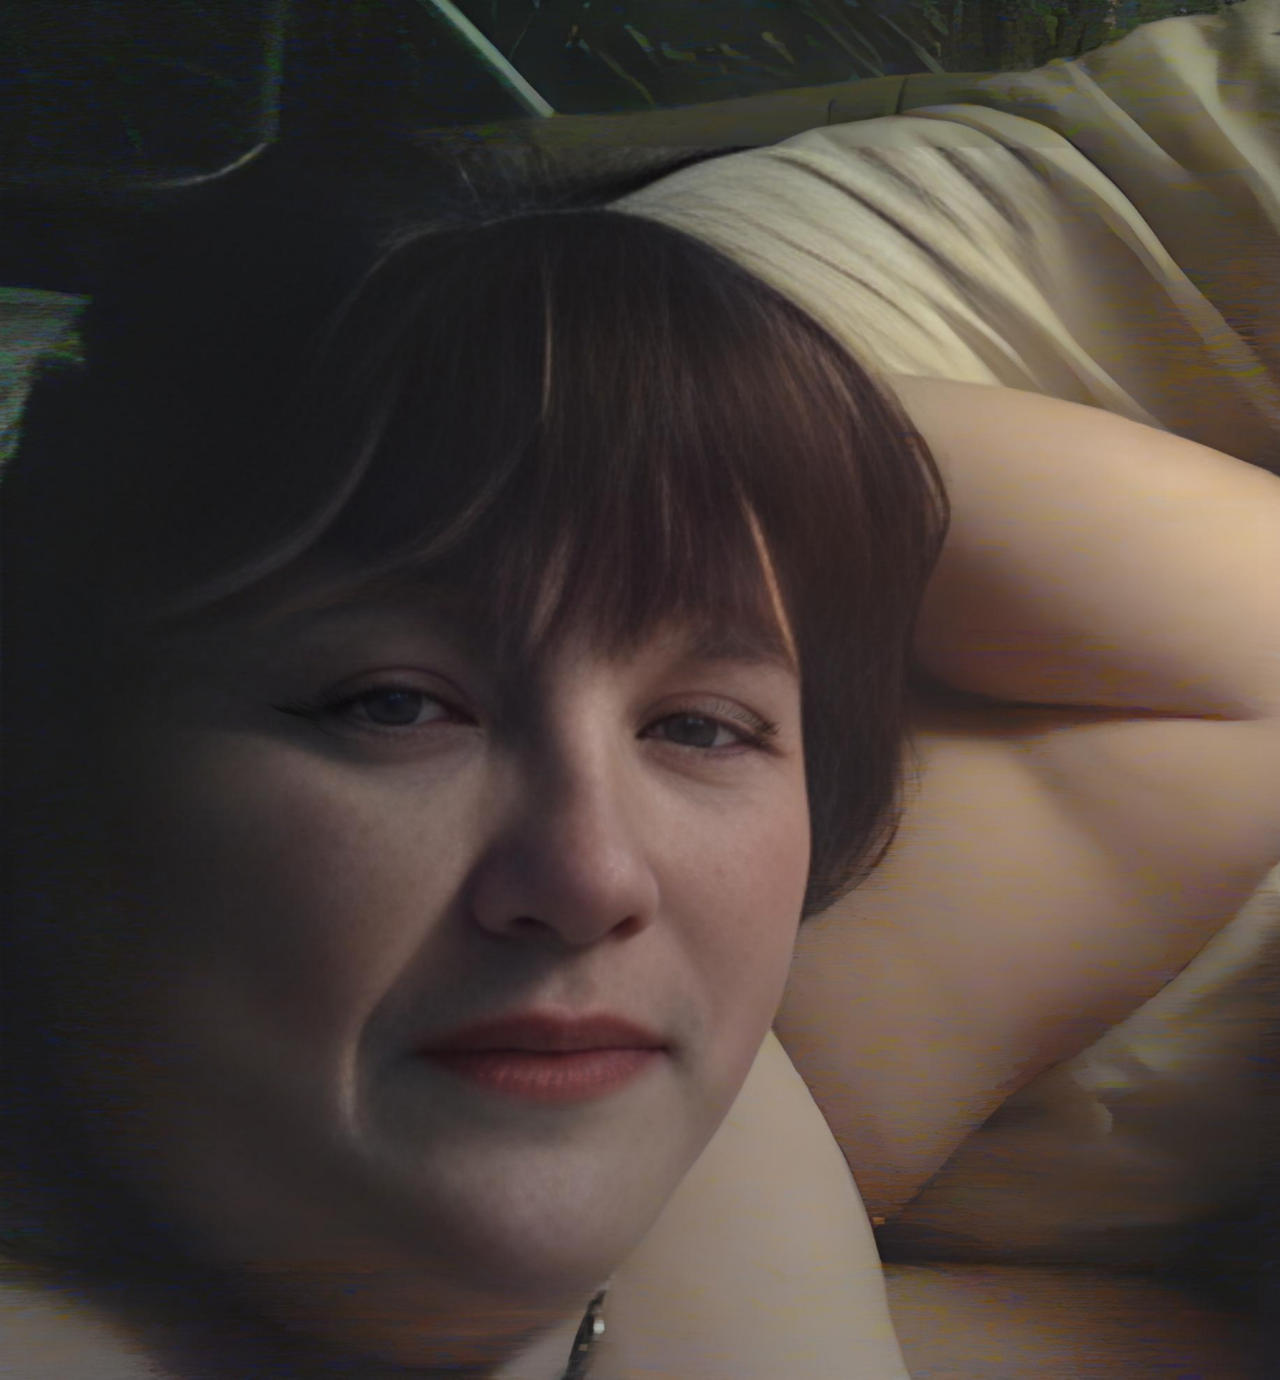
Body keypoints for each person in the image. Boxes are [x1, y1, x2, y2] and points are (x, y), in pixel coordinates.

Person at [0, 181, 944, 1378]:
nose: (592, 878)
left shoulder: (668, 1065)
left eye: (697, 727)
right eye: (392, 706)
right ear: (56, 761)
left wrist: (688, 434)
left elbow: (1192, 693)